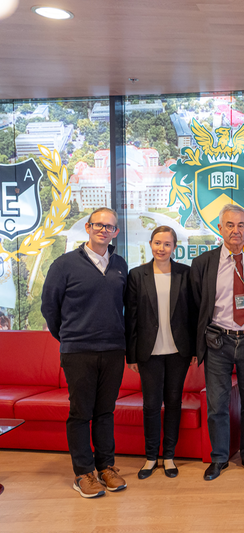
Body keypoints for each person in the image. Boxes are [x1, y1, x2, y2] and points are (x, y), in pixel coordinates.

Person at [41, 207, 128, 498]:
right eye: (98, 225)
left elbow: (124, 306)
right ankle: (83, 473)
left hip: (113, 350)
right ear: (88, 228)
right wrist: (70, 336)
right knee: (81, 413)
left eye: (109, 227)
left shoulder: (119, 264)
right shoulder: (64, 264)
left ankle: (106, 467)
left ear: (116, 232)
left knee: (105, 411)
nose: (104, 230)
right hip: (78, 351)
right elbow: (50, 308)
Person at [191, 204, 244, 481]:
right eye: (230, 225)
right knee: (217, 405)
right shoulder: (203, 263)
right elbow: (198, 302)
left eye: (241, 225)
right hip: (218, 342)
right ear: (220, 228)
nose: (235, 230)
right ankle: (219, 458)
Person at [125, 226, 196, 479]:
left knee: (174, 403)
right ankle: (150, 457)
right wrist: (131, 354)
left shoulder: (185, 274)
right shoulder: (137, 275)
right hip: (149, 351)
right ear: (150, 244)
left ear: (174, 247)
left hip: (178, 351)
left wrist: (195, 349)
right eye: (157, 243)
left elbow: (193, 314)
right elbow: (131, 317)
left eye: (167, 244)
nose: (161, 248)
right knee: (151, 405)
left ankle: (169, 457)